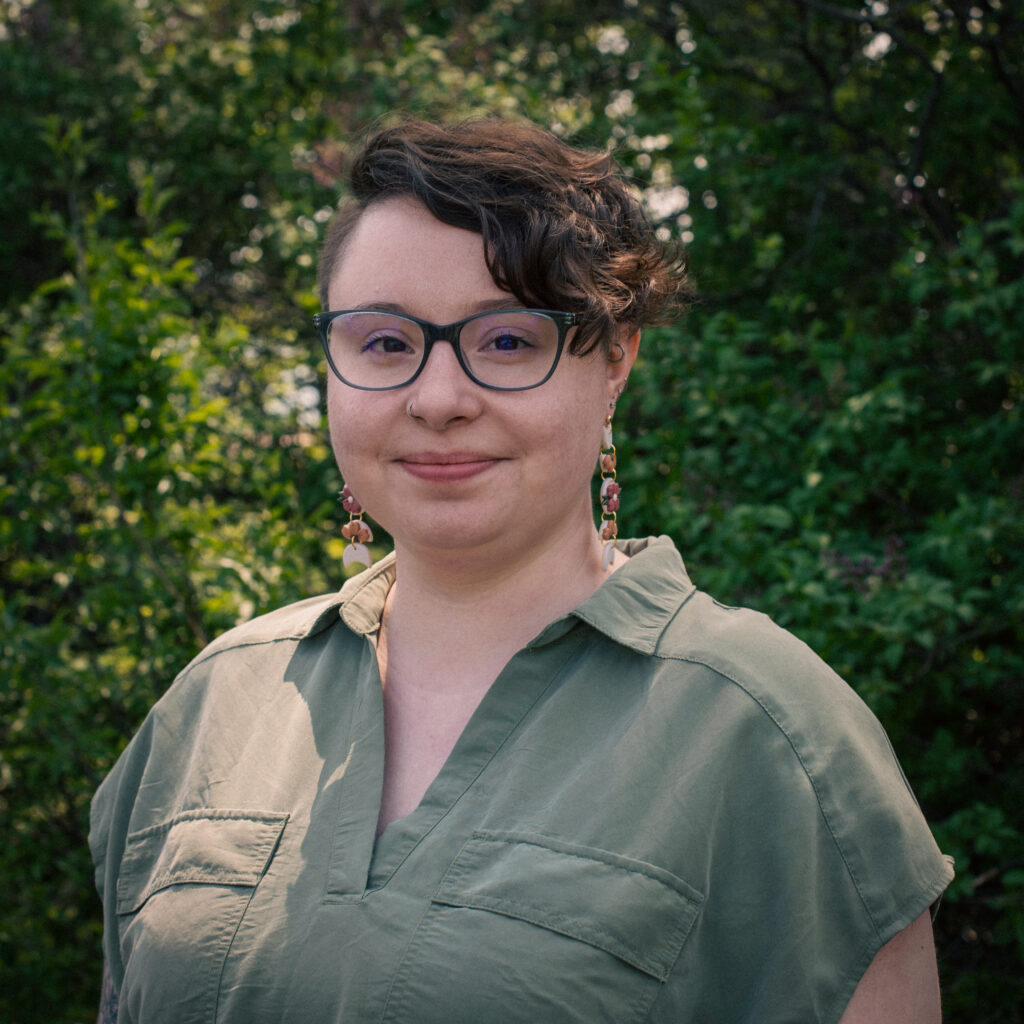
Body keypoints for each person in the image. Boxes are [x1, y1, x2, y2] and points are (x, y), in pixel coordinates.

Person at [90, 117, 953, 1023]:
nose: (437, 400)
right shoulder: (214, 704)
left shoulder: (771, 731)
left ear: (616, 357)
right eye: (384, 343)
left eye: (506, 341)